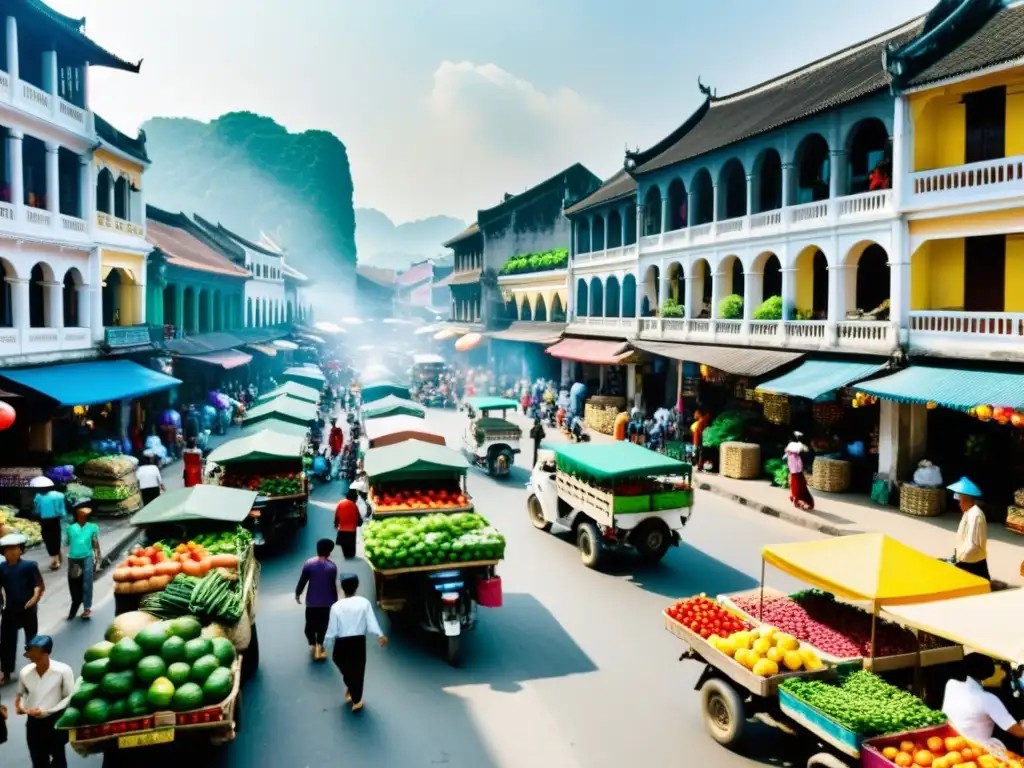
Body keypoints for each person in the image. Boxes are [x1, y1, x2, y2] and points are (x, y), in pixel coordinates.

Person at [324, 573, 387, 712]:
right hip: (358, 641)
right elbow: (371, 621)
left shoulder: (336, 606)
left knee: (339, 660)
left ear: (342, 587)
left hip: (342, 642)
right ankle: (353, 688)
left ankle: (356, 700)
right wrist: (379, 634)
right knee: (358, 670)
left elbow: (332, 627)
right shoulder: (364, 602)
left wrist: (326, 642)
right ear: (357, 586)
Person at [942, 653, 1024, 751]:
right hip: (977, 749)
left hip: (950, 742)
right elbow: (1019, 732)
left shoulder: (951, 685)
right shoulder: (988, 699)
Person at [16, 635, 73, 767]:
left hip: (55, 722)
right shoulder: (25, 673)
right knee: (38, 760)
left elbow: (68, 698)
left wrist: (47, 711)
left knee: (58, 759)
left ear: (46, 653)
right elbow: (22, 695)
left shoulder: (63, 671)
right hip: (33, 724)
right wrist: (24, 708)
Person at [0, 534, 44, 686]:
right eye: (8, 549)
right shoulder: (2, 568)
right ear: (3, 552)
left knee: (31, 640)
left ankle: (36, 667)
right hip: (10, 610)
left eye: (15, 549)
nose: (11, 552)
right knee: (6, 642)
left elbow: (38, 584)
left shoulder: (29, 566)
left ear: (21, 550)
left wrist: (35, 596)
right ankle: (5, 672)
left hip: (28, 609)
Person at [295, 539, 339, 661]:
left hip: (312, 603)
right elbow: (332, 586)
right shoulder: (332, 567)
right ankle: (319, 645)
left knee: (309, 627)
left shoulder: (309, 564)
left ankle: (313, 645)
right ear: (329, 552)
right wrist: (335, 602)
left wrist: (298, 593)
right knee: (323, 626)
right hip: (327, 604)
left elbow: (303, 580)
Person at [948, 477, 990, 580]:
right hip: (967, 556)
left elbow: (973, 543)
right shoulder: (968, 512)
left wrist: (961, 558)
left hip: (972, 559)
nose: (959, 504)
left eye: (960, 501)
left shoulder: (975, 515)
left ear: (965, 500)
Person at [63, 506, 100, 621]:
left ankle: (87, 608)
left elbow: (95, 544)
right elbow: (66, 542)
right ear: (77, 516)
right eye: (81, 515)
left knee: (87, 583)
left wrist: (98, 558)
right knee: (75, 583)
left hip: (87, 557)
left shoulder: (93, 528)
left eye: (85, 516)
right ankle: (76, 604)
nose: (83, 518)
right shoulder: (70, 528)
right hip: (74, 558)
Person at [30, 479, 65, 572]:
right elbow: (61, 510)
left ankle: (55, 560)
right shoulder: (59, 495)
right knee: (55, 537)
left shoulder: (38, 497)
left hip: (45, 520)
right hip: (54, 520)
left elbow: (37, 509)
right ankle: (57, 554)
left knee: (49, 539)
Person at [784, 432, 815, 511]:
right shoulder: (800, 446)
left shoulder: (791, 445)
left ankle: (796, 499)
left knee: (798, 484)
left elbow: (786, 450)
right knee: (798, 485)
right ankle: (798, 500)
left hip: (794, 468)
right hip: (797, 469)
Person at [334, 489, 362, 559]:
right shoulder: (354, 505)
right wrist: (359, 522)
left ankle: (345, 554)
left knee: (344, 544)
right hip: (352, 529)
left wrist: (336, 523)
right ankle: (351, 555)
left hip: (342, 528)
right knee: (351, 544)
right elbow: (358, 516)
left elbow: (336, 515)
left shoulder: (340, 503)